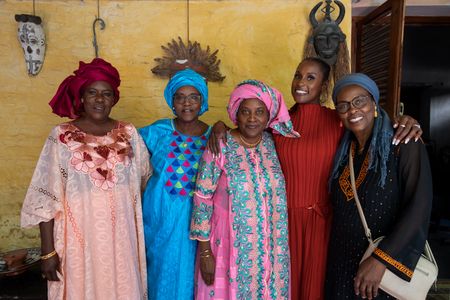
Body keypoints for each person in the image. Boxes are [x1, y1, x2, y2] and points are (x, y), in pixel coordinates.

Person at [209, 57, 422, 300]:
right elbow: (246, 130)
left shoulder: (338, 120)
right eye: (298, 75)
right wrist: (218, 126)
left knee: (317, 290)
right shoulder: (277, 123)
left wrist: (406, 120)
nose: (301, 82)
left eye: (311, 78)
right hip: (281, 225)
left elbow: (369, 125)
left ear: (323, 85)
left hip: (323, 224)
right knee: (282, 289)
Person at [21, 58, 151, 300]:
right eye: (92, 92)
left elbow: (142, 185)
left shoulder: (129, 133)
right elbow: (45, 196)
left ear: (114, 98)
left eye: (106, 94)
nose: (99, 100)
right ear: (81, 96)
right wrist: (48, 252)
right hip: (78, 244)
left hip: (122, 242)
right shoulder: (61, 137)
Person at [325, 73, 432, 299]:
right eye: (343, 106)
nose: (352, 110)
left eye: (359, 101)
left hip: (380, 269)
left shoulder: (404, 142)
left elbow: (419, 207)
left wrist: (381, 260)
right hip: (341, 263)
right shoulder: (344, 149)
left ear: (373, 102)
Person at [190, 79, 299, 300]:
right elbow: (202, 198)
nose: (252, 118)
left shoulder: (273, 143)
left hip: (271, 253)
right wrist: (205, 253)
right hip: (227, 248)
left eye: (260, 112)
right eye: (245, 111)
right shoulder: (220, 145)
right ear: (235, 114)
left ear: (268, 117)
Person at [139, 68, 211, 300]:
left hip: (198, 223)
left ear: (203, 100)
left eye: (194, 97)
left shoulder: (215, 137)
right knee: (160, 275)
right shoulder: (157, 131)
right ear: (172, 101)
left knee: (194, 279)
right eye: (179, 97)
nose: (187, 103)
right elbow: (124, 153)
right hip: (161, 221)